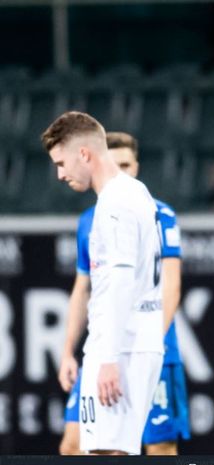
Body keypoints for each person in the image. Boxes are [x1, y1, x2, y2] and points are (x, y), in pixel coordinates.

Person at [57, 131, 190, 455]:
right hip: (104, 349)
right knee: (75, 446)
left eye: (127, 164)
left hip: (146, 344)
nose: (122, 172)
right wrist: (67, 351)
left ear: (137, 166)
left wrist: (151, 339)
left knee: (158, 445)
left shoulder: (159, 214)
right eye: (115, 165)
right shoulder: (90, 220)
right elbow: (81, 288)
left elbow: (170, 285)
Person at [43, 112, 165, 455]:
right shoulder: (135, 192)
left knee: (104, 453)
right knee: (114, 451)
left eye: (61, 162)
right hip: (135, 340)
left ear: (84, 154)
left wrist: (108, 357)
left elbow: (122, 281)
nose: (60, 174)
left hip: (120, 346)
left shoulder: (115, 204)